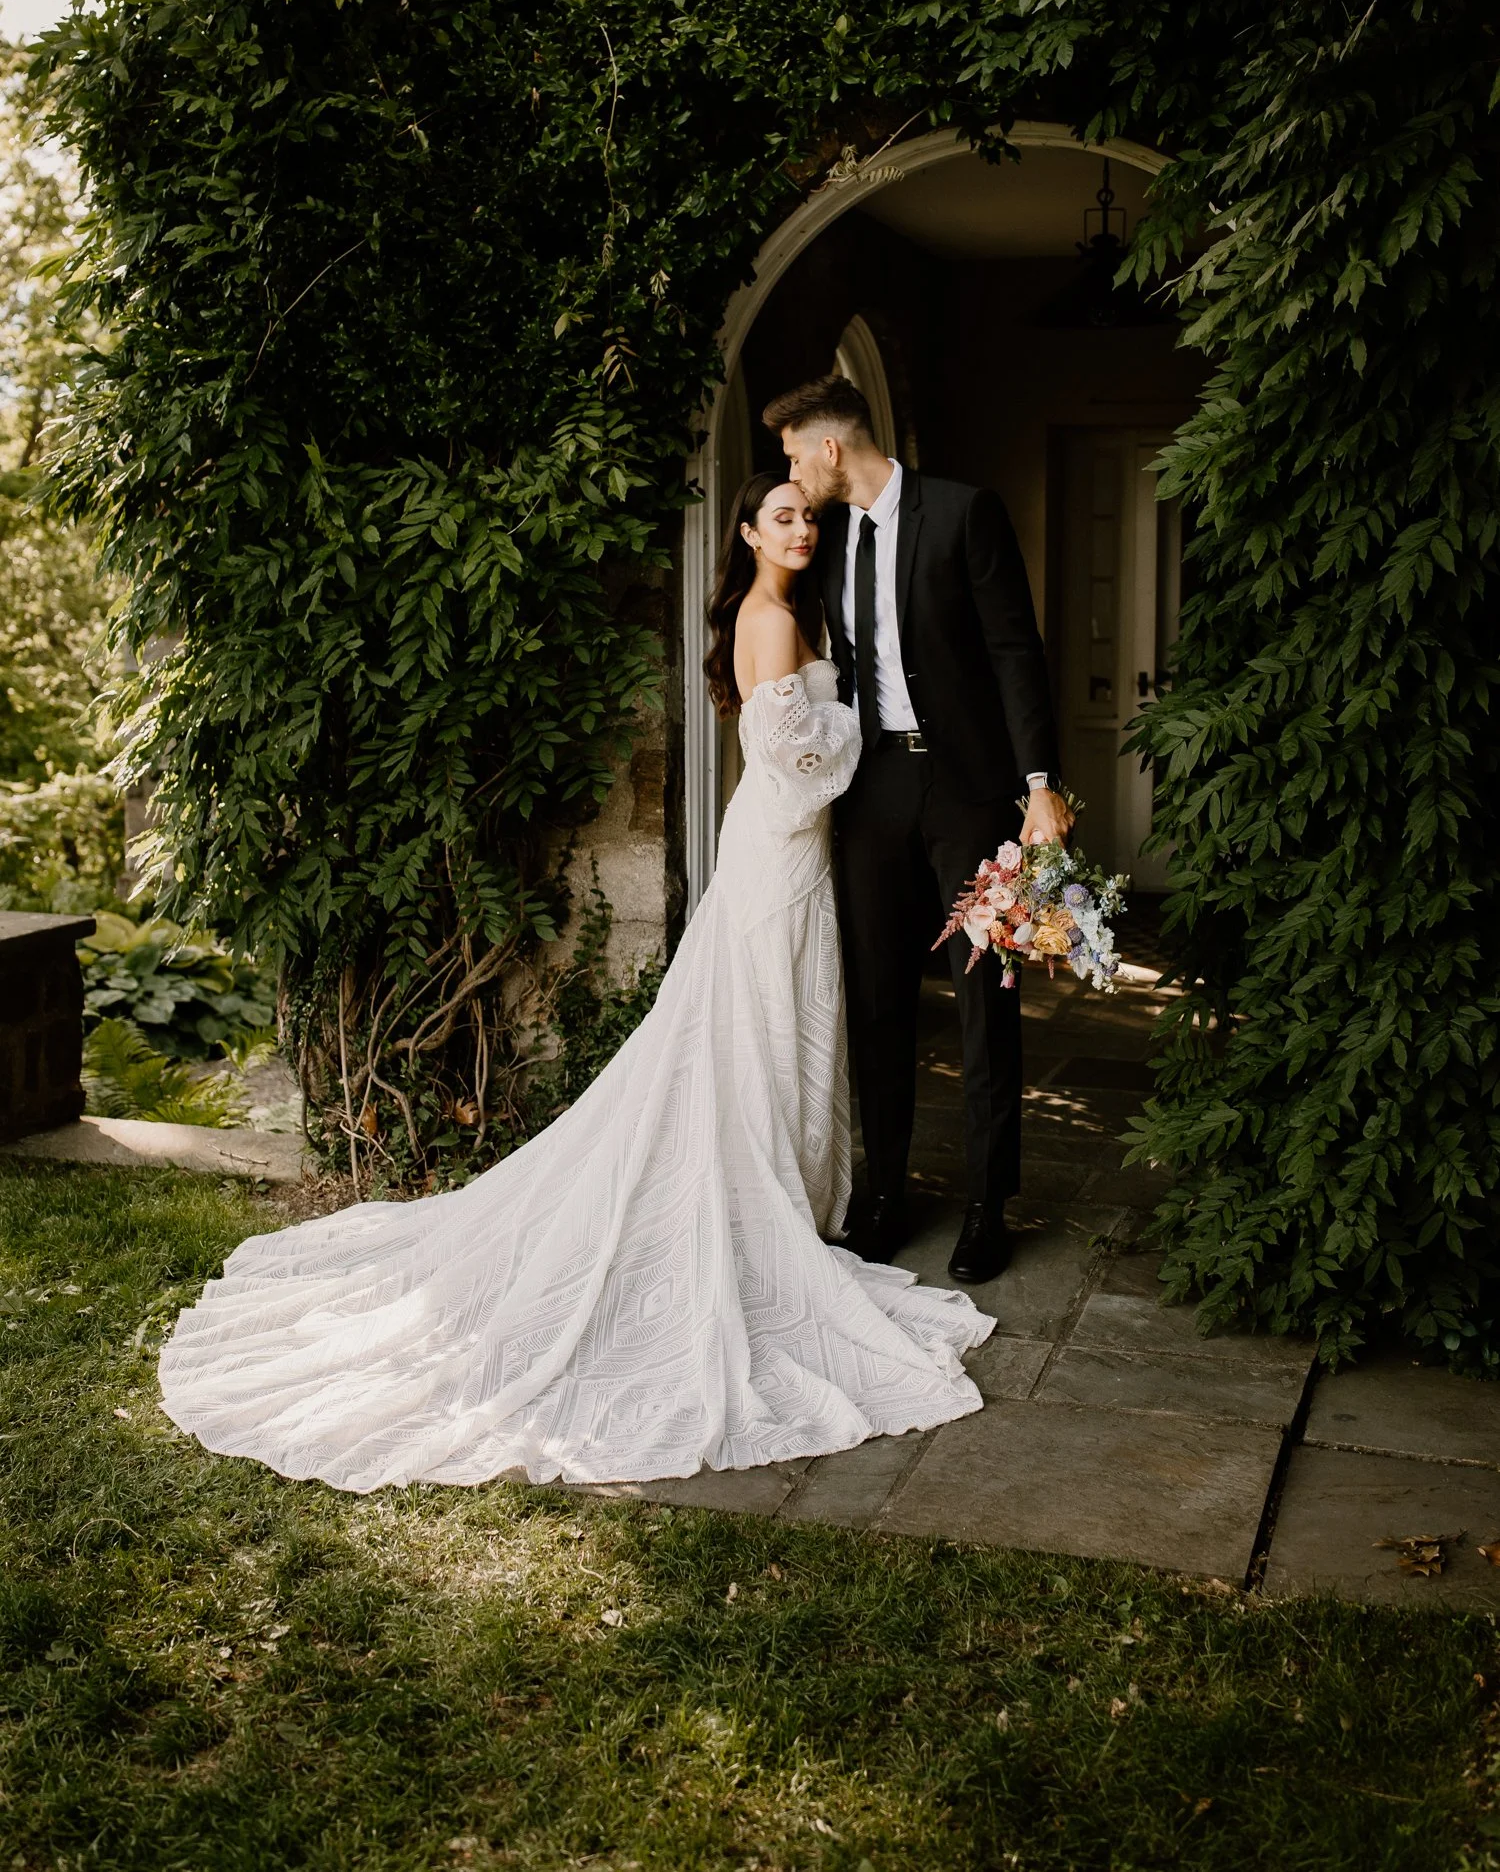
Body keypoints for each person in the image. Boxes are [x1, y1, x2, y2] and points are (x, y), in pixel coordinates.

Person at [157, 474, 994, 1492]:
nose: (802, 529)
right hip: (779, 850)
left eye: (809, 516)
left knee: (784, 1019)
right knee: (762, 1019)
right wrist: (858, 723)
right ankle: (755, 1203)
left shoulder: (798, 611)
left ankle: (788, 1194)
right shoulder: (770, 619)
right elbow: (800, 763)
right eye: (782, 516)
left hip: (797, 851)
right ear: (746, 531)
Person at [767, 375, 1070, 1284]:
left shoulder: (964, 513)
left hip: (969, 790)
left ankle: (987, 1205)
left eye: (795, 458)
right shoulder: (828, 538)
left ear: (830, 448)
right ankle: (884, 1194)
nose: (794, 478)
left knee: (985, 995)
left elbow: (1015, 650)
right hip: (873, 788)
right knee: (875, 993)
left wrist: (1040, 786)